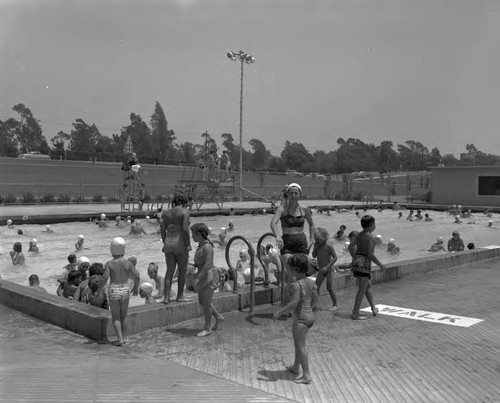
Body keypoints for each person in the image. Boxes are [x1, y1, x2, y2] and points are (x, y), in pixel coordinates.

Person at [272, 254, 318, 385]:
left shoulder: (295, 285)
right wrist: (308, 310)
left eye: (289, 267)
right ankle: (295, 367)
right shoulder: (312, 282)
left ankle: (307, 375)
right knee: (299, 344)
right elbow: (315, 300)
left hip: (300, 319)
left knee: (301, 346)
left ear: (294, 269)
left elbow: (293, 303)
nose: (288, 269)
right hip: (310, 317)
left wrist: (279, 313)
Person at [270, 183, 315, 279]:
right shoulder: (282, 209)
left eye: (296, 193)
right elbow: (273, 223)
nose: (294, 196)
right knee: (291, 274)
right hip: (287, 243)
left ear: (300, 194)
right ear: (288, 194)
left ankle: (301, 293)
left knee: (302, 273)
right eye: (291, 193)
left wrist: (312, 239)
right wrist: (277, 236)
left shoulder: (304, 209)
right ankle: (291, 292)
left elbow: (311, 224)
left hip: (301, 243)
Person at [101, 237, 140, 346]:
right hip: (125, 289)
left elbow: (104, 278)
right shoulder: (127, 263)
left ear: (111, 249)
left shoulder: (109, 264)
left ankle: (120, 340)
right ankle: (125, 337)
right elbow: (137, 275)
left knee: (116, 317)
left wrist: (99, 289)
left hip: (114, 290)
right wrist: (136, 287)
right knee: (124, 316)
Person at [348, 215, 386, 320]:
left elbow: (350, 247)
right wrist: (380, 265)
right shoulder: (371, 238)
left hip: (357, 263)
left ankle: (373, 308)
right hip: (365, 265)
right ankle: (355, 313)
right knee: (362, 289)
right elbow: (370, 254)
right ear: (371, 225)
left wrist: (354, 257)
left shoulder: (358, 235)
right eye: (374, 224)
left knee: (366, 287)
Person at [191, 223, 224, 337]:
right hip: (203, 275)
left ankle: (207, 328)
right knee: (203, 301)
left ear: (199, 234)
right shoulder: (200, 246)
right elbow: (201, 262)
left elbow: (209, 263)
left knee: (206, 303)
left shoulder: (207, 246)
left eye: (193, 234)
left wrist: (199, 277)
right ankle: (218, 317)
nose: (192, 236)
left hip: (209, 276)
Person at [160, 191, 191, 303]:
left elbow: (162, 229)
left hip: (169, 241)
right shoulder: (185, 212)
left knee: (169, 271)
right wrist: (188, 244)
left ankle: (166, 297)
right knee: (182, 271)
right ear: (184, 201)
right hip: (180, 242)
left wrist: (165, 242)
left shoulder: (166, 213)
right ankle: (180, 296)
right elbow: (184, 229)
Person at [312, 228, 338, 311]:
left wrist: (328, 266)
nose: (317, 241)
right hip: (321, 269)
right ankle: (314, 304)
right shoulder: (318, 246)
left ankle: (335, 304)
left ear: (324, 237)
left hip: (329, 269)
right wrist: (315, 247)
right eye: (316, 239)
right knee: (316, 287)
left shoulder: (328, 246)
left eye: (318, 239)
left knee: (329, 288)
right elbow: (313, 256)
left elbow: (335, 258)